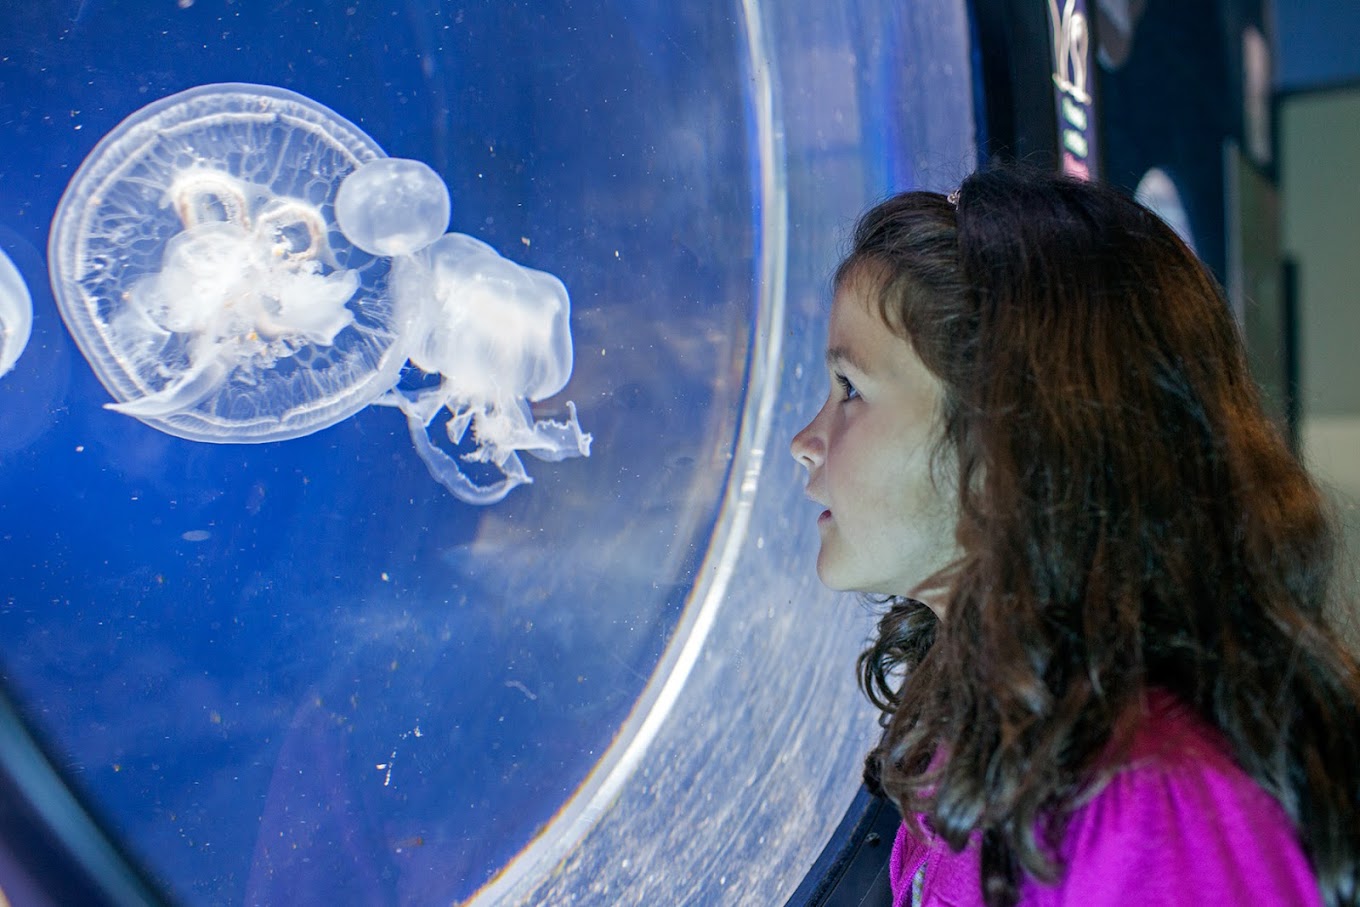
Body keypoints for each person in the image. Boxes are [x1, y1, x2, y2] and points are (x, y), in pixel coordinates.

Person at [790, 165, 1360, 907]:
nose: (807, 439)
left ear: (1009, 438)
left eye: (850, 390)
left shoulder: (1155, 804)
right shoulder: (974, 739)